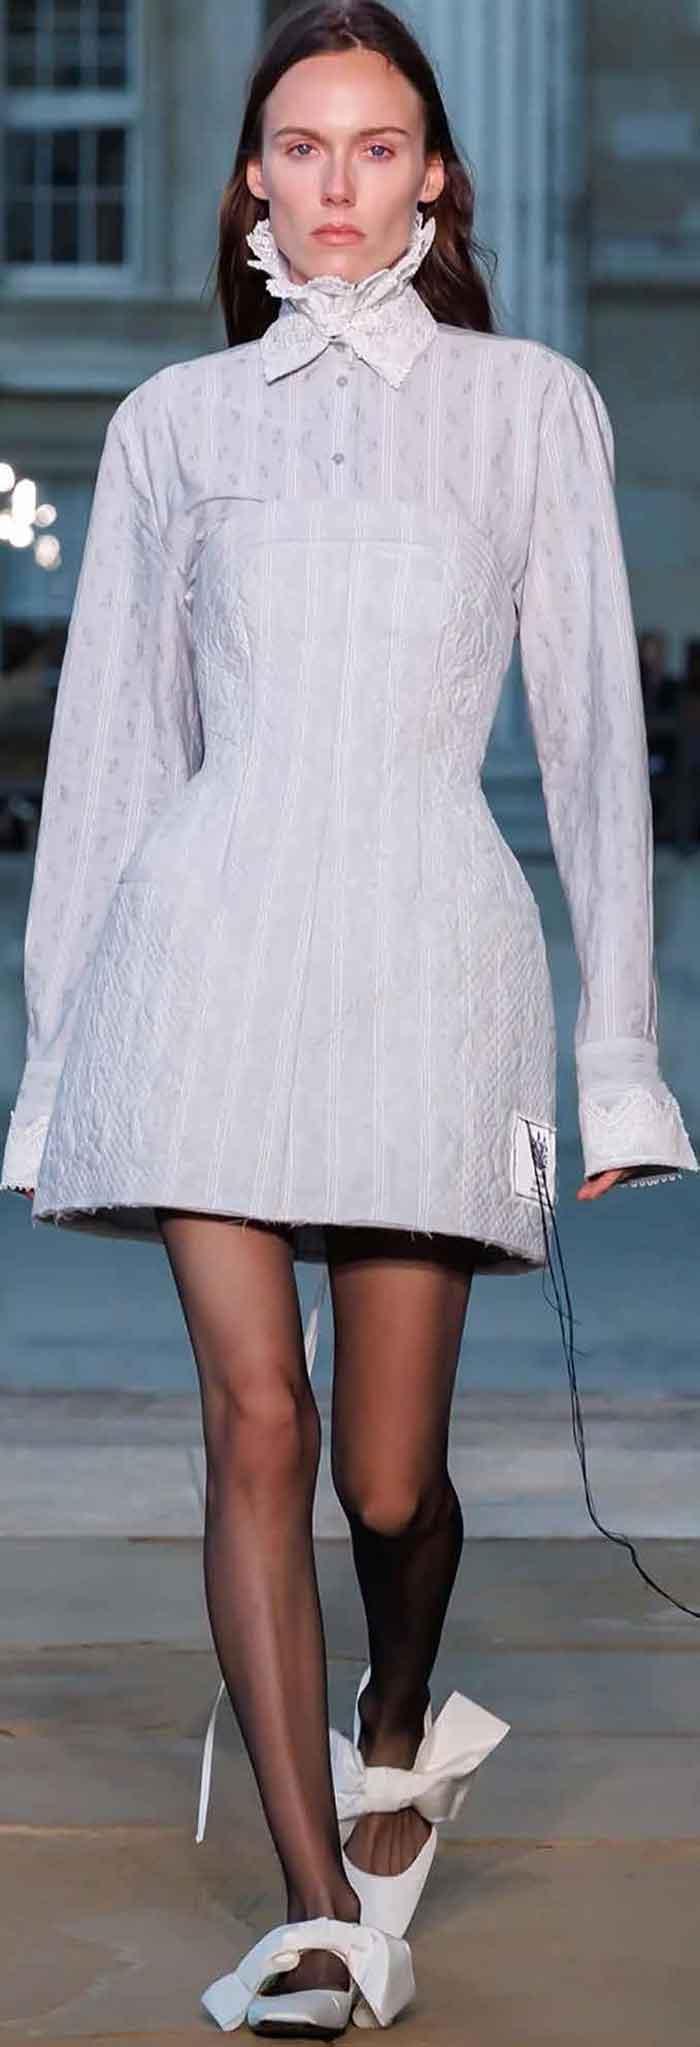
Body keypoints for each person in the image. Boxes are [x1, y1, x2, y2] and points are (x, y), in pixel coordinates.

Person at [2, 0, 698, 2033]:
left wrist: (620, 1060)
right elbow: (112, 762)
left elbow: (595, 745)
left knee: (389, 1482)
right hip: (203, 953)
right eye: (299, 145)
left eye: (375, 145)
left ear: (431, 178)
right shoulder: (173, 428)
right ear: (252, 177)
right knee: (258, 1418)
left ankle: (395, 1727)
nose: (334, 182)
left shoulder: (530, 407)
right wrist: (52, 1067)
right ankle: (319, 1910)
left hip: (424, 951)